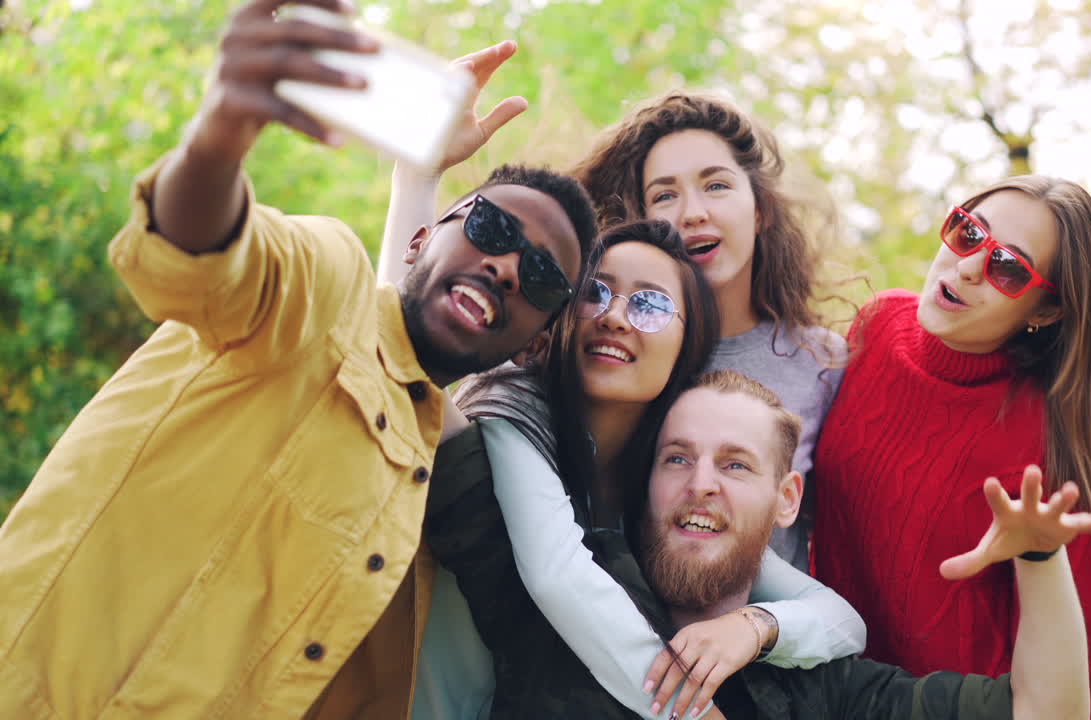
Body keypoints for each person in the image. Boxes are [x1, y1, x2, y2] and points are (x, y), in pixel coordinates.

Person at [0, 2, 596, 717]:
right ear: (419, 242)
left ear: (533, 341)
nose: (504, 266)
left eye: (540, 278)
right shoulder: (326, 283)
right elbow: (195, 261)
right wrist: (220, 136)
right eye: (492, 227)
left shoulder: (435, 488)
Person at [429, 369, 1091, 719]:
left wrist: (1041, 560)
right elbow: (424, 396)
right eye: (676, 459)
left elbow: (1045, 712)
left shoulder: (826, 691)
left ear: (787, 502)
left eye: (735, 464)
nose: (701, 485)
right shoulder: (553, 613)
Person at [408, 220, 864, 719]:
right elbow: (558, 575)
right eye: (595, 293)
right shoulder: (509, 412)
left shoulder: (669, 479)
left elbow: (842, 623)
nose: (615, 317)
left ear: (689, 345)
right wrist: (690, 712)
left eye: (651, 305)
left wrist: (754, 628)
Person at [813, 177, 1091, 720]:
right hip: (828, 688)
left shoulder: (1042, 436)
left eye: (1009, 268)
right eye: (968, 233)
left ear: (1046, 311)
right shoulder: (875, 325)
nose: (969, 266)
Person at [569, 91, 847, 571]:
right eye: (665, 195)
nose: (692, 212)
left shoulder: (820, 361)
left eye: (716, 186)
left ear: (760, 210)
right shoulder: (609, 341)